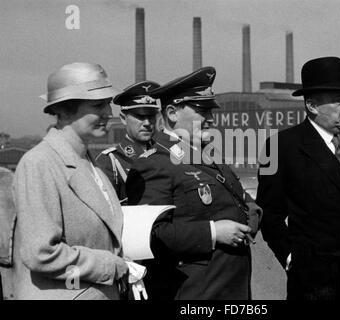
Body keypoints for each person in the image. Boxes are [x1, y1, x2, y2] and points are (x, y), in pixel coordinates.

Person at [257, 56, 340, 300]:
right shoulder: (279, 147)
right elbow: (269, 215)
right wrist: (290, 259)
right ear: (312, 106)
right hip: (315, 283)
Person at [10, 62, 145, 300]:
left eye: (108, 104)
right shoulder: (40, 163)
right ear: (66, 109)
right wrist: (109, 265)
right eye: (97, 105)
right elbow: (41, 253)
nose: (108, 113)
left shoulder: (93, 166)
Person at [126, 66, 262, 300]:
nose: (210, 118)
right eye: (202, 111)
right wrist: (213, 232)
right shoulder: (154, 163)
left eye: (211, 111)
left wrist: (249, 220)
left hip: (232, 287)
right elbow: (151, 235)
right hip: (194, 291)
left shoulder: (209, 156)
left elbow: (242, 201)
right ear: (172, 113)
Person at [96, 81, 161, 204]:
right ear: (123, 118)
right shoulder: (112, 160)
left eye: (151, 116)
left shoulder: (165, 153)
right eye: (140, 117)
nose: (147, 123)